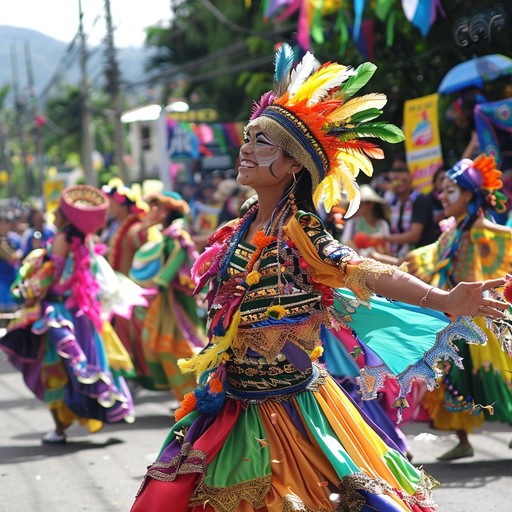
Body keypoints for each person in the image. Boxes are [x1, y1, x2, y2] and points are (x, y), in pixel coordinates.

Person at [130, 45, 507, 512]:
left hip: (291, 406)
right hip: (231, 399)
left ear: (293, 166)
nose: (246, 148)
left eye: (262, 142)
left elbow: (360, 270)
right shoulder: (241, 226)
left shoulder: (299, 230)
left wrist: (441, 298)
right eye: (247, 137)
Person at [0, 185, 136, 444]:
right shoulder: (83, 239)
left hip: (59, 311)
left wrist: (29, 288)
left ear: (66, 217)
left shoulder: (62, 238)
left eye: (58, 212)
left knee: (52, 368)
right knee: (75, 366)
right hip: (80, 312)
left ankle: (60, 428)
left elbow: (53, 275)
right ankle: (77, 419)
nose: (53, 215)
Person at [404, 154, 512, 460]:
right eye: (443, 189)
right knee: (450, 377)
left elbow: (506, 247)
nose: (442, 195)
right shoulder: (452, 233)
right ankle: (463, 440)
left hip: (482, 320)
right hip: (453, 317)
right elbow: (424, 258)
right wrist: (384, 265)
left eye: (450, 190)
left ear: (469, 194)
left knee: (497, 380)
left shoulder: (481, 230)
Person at [127, 190, 207, 399]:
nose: (154, 211)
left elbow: (175, 261)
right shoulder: (165, 234)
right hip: (165, 298)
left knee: (181, 346)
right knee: (162, 345)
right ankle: (187, 397)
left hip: (175, 300)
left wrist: (158, 286)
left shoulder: (177, 235)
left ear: (170, 210)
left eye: (159, 207)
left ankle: (194, 396)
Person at [380, 163, 437, 258]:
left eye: (404, 180)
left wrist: (386, 238)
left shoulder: (420, 200)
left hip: (421, 257)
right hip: (400, 256)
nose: (400, 183)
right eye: (396, 180)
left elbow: (414, 236)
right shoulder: (392, 202)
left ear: (410, 181)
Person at [341, 184, 390, 256]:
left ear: (371, 204)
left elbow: (387, 247)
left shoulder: (383, 224)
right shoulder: (352, 223)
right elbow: (345, 243)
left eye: (361, 203)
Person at [0, 210, 22, 313]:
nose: (4, 226)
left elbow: (18, 256)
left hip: (14, 279)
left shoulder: (15, 239)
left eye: (6, 223)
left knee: (15, 310)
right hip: (1, 281)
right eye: (1, 223)